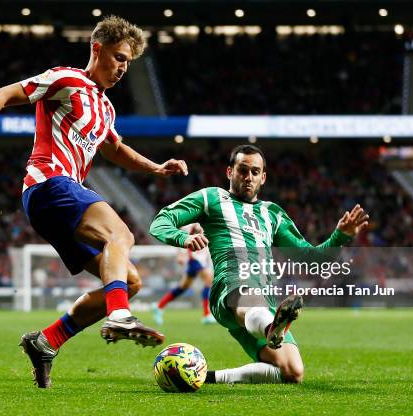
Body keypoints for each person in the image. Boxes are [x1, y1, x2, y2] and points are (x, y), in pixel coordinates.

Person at [0, 16, 188, 388]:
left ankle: (47, 341)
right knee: (121, 236)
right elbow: (2, 95)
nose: (123, 68)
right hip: (48, 184)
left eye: (128, 63)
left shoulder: (106, 109)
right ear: (98, 48)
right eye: (119, 57)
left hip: (59, 199)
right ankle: (120, 316)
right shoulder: (66, 79)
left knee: (128, 279)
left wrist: (157, 168)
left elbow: (116, 149)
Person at [149, 145, 369, 384]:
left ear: (263, 177)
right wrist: (184, 238)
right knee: (249, 295)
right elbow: (161, 222)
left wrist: (340, 237)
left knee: (292, 372)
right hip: (231, 283)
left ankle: (203, 377)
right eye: (242, 170)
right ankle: (270, 327)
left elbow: (309, 258)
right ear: (229, 172)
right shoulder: (211, 198)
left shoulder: (272, 213)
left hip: (264, 299)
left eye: (255, 172)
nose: (248, 177)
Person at [152, 223, 217, 325]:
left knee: (184, 286)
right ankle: (206, 315)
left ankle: (159, 306)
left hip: (202, 258)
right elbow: (180, 238)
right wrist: (180, 255)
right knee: (209, 281)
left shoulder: (206, 220)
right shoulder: (189, 223)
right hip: (193, 258)